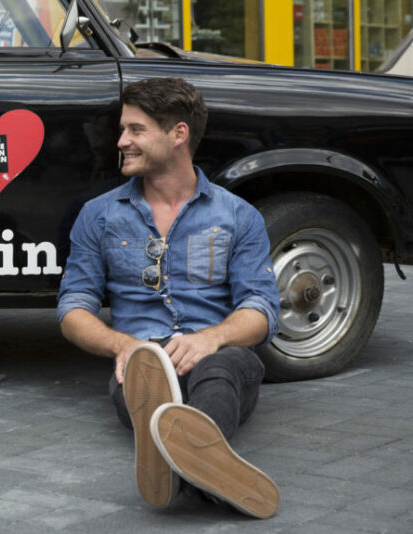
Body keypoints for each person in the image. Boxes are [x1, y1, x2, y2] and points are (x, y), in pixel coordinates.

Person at [56, 77, 281, 518]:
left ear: (178, 134)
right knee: (148, 382)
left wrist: (211, 338)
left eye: (136, 130)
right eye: (123, 130)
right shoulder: (97, 216)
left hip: (218, 353)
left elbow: (262, 309)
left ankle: (178, 465)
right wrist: (123, 345)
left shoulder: (239, 216)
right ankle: (207, 472)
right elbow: (72, 308)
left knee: (222, 369)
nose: (122, 141)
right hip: (141, 362)